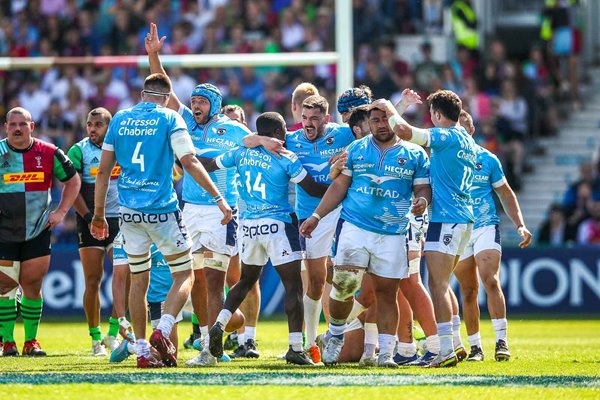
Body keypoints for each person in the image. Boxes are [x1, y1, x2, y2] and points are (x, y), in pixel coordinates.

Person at [145, 24, 274, 366]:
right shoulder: (184, 121)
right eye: (194, 101)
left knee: (216, 280)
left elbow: (257, 151)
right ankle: (206, 342)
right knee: (195, 277)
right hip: (188, 210)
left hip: (223, 212)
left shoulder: (233, 129)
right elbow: (165, 89)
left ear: (215, 105)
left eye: (202, 101)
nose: (196, 105)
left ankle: (212, 348)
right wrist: (154, 55)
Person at [91, 72, 232, 369]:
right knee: (185, 274)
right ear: (167, 98)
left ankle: (142, 351)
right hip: (163, 209)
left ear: (143, 95)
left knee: (138, 281)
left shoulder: (120, 118)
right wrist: (219, 197)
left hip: (129, 213)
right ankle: (163, 330)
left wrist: (99, 214)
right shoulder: (170, 119)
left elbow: (103, 172)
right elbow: (190, 161)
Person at [300, 104, 431, 368]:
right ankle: (335, 334)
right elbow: (339, 185)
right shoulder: (357, 149)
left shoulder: (415, 154)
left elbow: (423, 189)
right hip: (355, 227)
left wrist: (422, 202)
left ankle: (385, 353)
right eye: (375, 120)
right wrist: (316, 216)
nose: (381, 124)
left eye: (385, 119)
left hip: (393, 232)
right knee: (344, 284)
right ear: (369, 123)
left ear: (394, 120)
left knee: (386, 293)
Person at [203, 112, 329, 366]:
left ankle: (219, 324)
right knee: (293, 286)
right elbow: (312, 188)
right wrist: (340, 183)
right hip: (277, 224)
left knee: (245, 281)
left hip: (248, 226)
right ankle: (295, 347)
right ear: (278, 134)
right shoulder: (286, 157)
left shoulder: (240, 152)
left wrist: (184, 157)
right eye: (283, 133)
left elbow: (211, 164)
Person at [372, 89, 477, 368]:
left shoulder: (447, 135)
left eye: (432, 114)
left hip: (447, 218)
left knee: (438, 284)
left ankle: (443, 350)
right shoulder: (466, 139)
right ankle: (453, 343)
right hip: (464, 219)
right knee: (444, 284)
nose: (430, 119)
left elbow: (405, 131)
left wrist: (388, 106)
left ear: (438, 115)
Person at [0, 107, 81, 357]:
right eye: (12, 124)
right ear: (6, 127)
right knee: (4, 286)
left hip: (37, 230)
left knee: (32, 285)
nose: (17, 128)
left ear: (32, 127)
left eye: (22, 124)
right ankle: (7, 341)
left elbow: (73, 180)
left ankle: (30, 341)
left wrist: (61, 211)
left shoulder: (49, 152)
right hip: (3, 232)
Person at [454, 111, 532, 363]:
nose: (460, 130)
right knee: (468, 290)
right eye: (455, 126)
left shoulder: (487, 159)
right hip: (458, 229)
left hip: (485, 225)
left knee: (491, 280)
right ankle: (476, 347)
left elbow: (506, 194)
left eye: (464, 126)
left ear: (472, 129)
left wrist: (520, 225)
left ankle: (501, 341)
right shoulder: (444, 160)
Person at [286, 95, 356, 363]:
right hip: (309, 217)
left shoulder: (343, 135)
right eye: (304, 118)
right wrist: (259, 139)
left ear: (326, 119)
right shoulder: (291, 140)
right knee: (315, 281)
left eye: (314, 118)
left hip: (341, 211)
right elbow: (255, 138)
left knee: (346, 275)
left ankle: (366, 339)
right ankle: (313, 342)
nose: (308, 124)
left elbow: (374, 134)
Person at [67, 107, 124, 356]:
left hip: (120, 221)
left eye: (98, 124)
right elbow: (73, 191)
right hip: (90, 221)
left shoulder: (123, 148)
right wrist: (91, 218)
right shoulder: (78, 151)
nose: (92, 129)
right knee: (92, 280)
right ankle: (95, 339)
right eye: (89, 124)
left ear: (109, 127)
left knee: (125, 276)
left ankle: (113, 333)